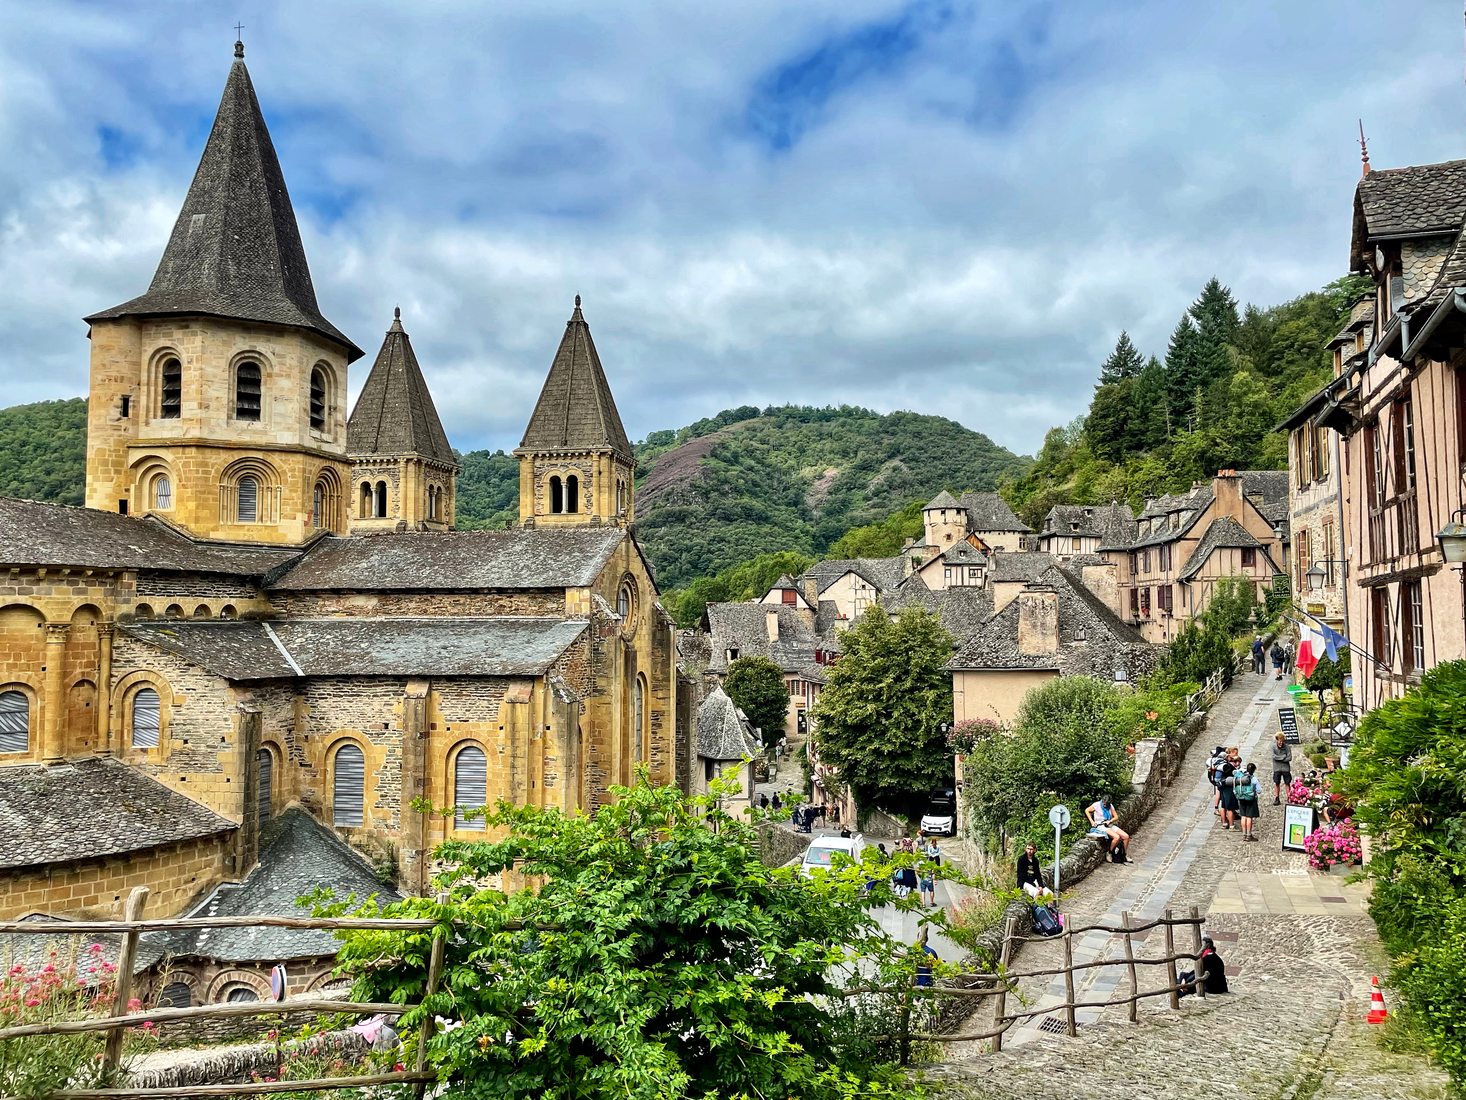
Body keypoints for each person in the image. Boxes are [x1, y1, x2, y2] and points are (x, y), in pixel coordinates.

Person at [1235, 763, 1261, 841]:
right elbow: (1259, 791)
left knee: (1243, 816)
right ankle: (1249, 835)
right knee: (1249, 817)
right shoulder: (1254, 779)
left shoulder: (1241, 777)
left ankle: (1244, 834)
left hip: (1241, 798)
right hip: (1250, 799)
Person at [1271, 732, 1293, 805]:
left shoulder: (1287, 747)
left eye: (1282, 741)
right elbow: (1274, 756)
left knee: (1287, 783)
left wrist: (1279, 758)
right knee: (1277, 783)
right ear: (1277, 740)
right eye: (1280, 741)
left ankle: (1289, 797)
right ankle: (1277, 798)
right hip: (1277, 768)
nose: (1281, 742)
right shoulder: (1273, 747)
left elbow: (1289, 758)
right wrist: (1283, 757)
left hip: (1285, 769)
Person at [1217, 762, 1238, 830]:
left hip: (1223, 790)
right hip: (1229, 791)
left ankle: (1224, 823)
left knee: (1223, 807)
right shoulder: (1231, 779)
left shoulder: (1222, 780)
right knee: (1230, 809)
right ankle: (1231, 825)